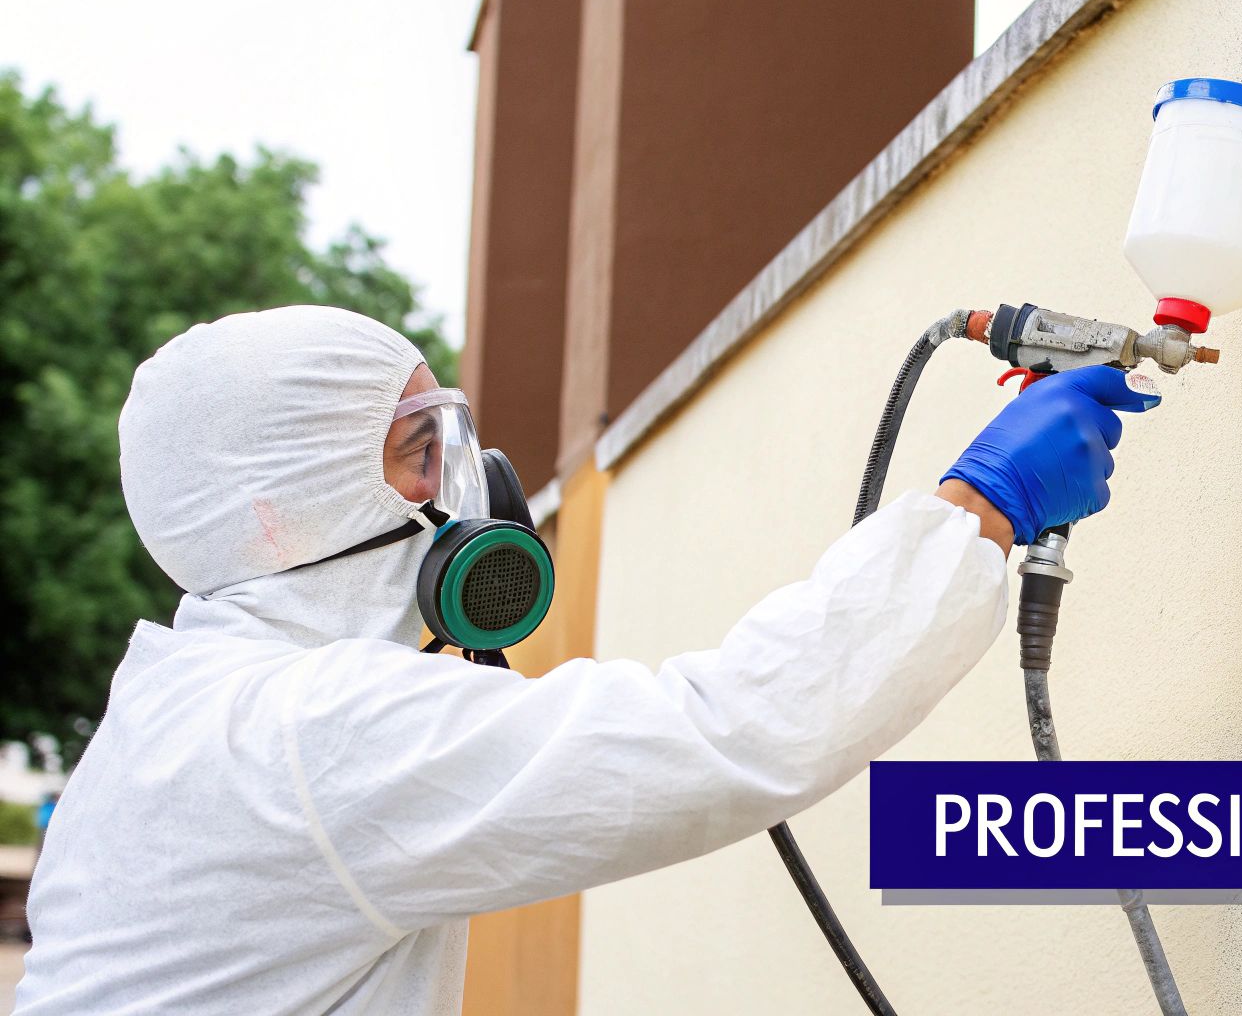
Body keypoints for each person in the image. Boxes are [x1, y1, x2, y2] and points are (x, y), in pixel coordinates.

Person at [16, 305, 1157, 1013]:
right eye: (421, 453)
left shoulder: (178, 701)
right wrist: (981, 506)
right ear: (283, 517)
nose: (467, 490)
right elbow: (726, 733)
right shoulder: (310, 729)